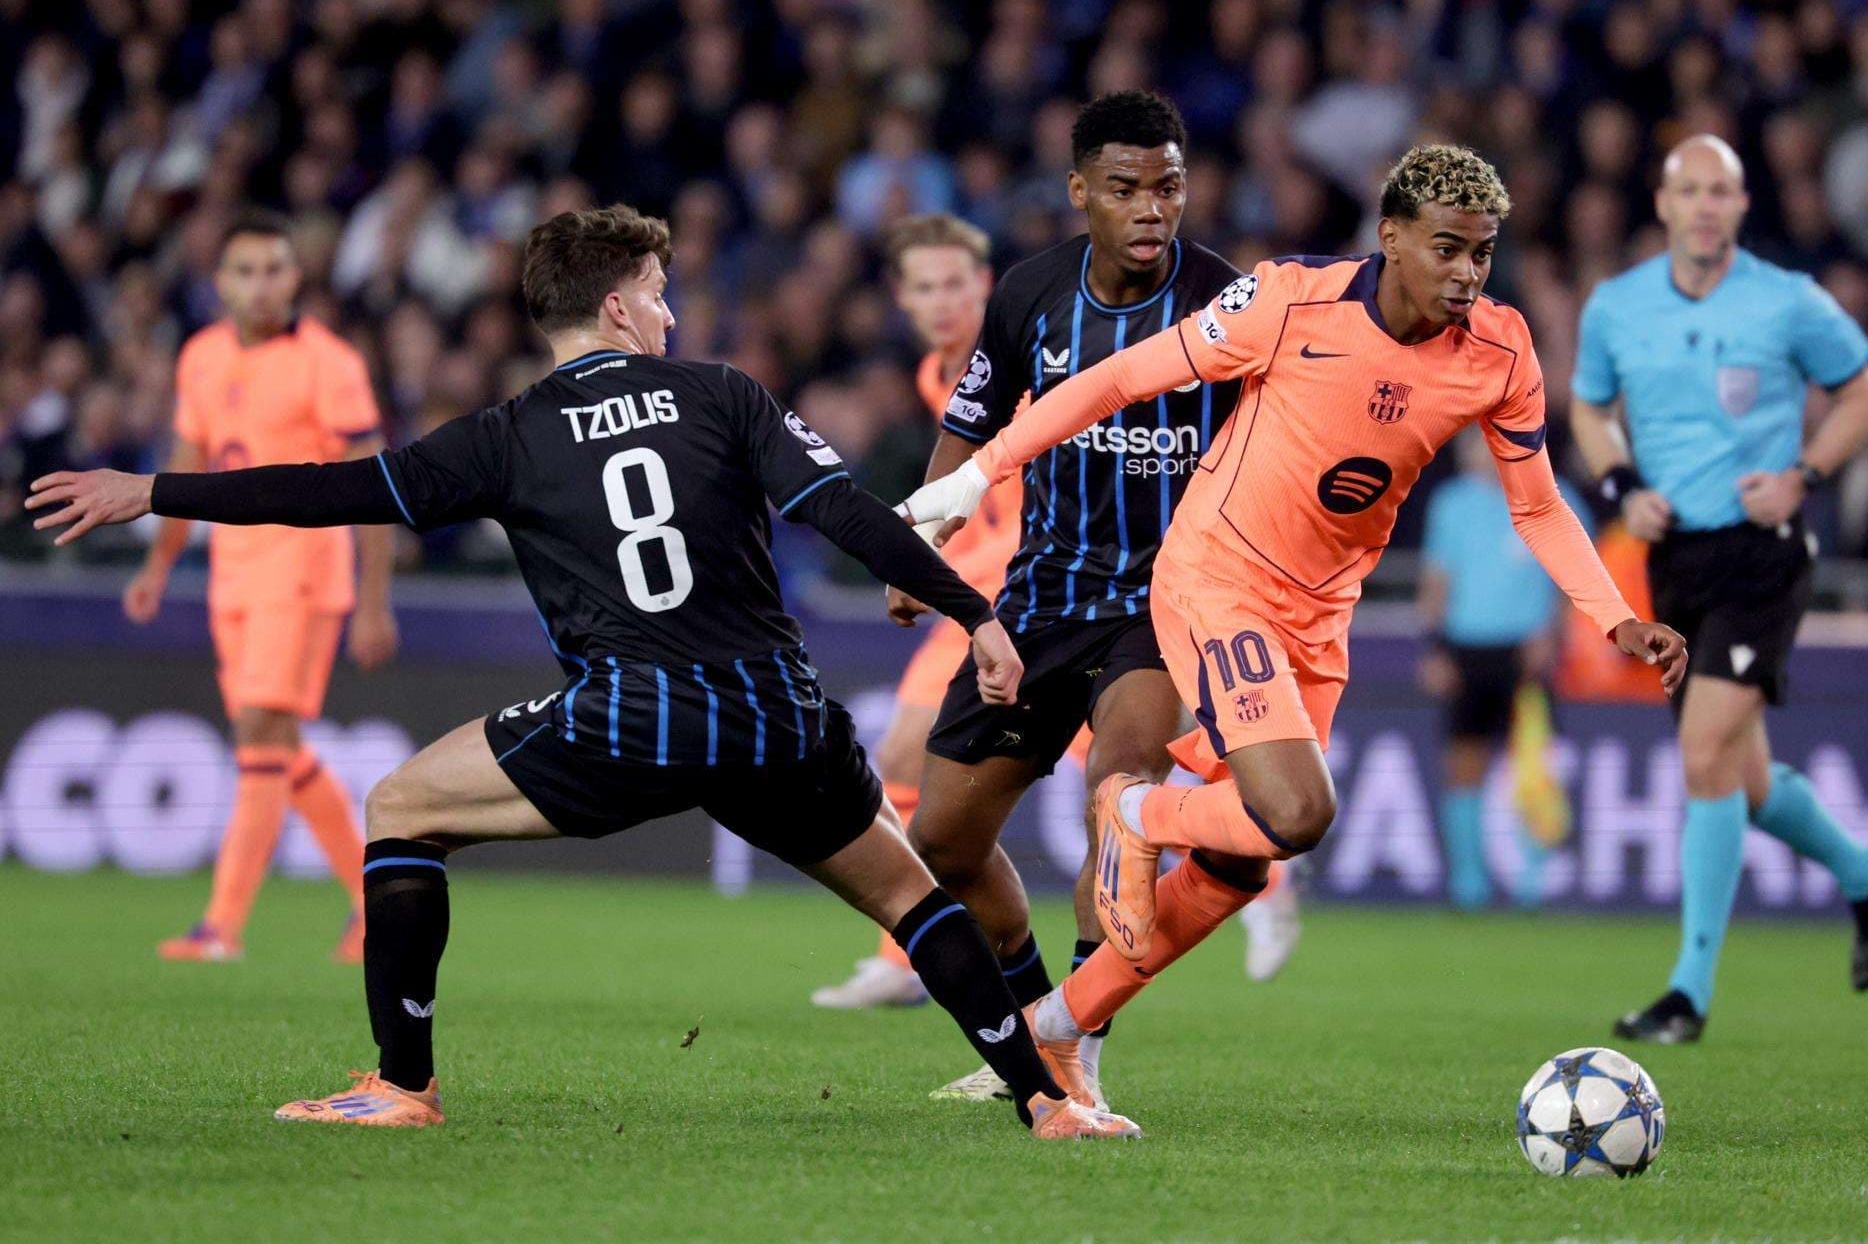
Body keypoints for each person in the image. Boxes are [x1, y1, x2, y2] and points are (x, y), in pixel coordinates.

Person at [29, 205, 1136, 1141]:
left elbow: (332, 489)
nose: (669, 312)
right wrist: (971, 611)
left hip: (629, 719)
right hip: (775, 712)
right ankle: (1047, 1103)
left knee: (400, 806)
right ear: (615, 306)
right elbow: (843, 510)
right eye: (658, 292)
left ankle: (401, 1085)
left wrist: (157, 492)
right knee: (908, 892)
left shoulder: (506, 436)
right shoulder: (722, 393)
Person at [900, 145, 1689, 1090]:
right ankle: (1135, 811)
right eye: (1448, 249)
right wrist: (974, 478)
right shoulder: (1287, 299)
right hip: (1216, 578)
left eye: (1483, 254)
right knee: (1299, 811)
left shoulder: (1499, 349)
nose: (1468, 275)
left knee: (1244, 866)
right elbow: (1115, 381)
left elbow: (1537, 505)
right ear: (1390, 238)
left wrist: (1612, 619)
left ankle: (1064, 1025)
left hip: (1320, 616)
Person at [898, 91, 1244, 1107]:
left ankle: (1079, 1052)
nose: (1152, 208)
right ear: (1079, 191)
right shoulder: (1028, 295)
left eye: (1170, 187)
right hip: (1043, 599)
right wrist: (922, 541)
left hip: (1164, 603)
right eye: (1128, 188)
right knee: (944, 844)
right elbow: (969, 420)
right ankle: (1042, 1021)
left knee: (1124, 786)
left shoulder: (1226, 301)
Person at [1569, 135, 1868, 1043]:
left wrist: (1804, 474)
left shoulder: (1789, 301)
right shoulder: (1618, 307)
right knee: (1741, 777)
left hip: (1764, 551)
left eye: (1722, 190)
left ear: (1742, 202)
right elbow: (1589, 409)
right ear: (1664, 201)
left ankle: (1688, 990)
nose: (1707, 206)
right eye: (1692, 190)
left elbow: (1867, 399)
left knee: (1705, 749)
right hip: (1675, 560)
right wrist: (1617, 489)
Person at [127, 210, 398, 964]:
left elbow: (374, 484)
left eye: (273, 269)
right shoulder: (202, 356)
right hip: (232, 574)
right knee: (276, 744)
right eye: (244, 271)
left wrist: (376, 600)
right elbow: (183, 473)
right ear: (220, 282)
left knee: (257, 736)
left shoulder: (331, 362)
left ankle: (221, 927)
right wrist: (157, 567)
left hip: (304, 570)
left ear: (295, 277)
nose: (259, 285)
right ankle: (373, 903)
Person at [810, 213, 1020, 1011]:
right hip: (978, 600)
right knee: (900, 760)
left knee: (1134, 769)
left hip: (1037, 598)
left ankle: (1260, 859)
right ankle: (904, 962)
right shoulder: (941, 376)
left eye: (954, 284)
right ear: (902, 298)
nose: (941, 301)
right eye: (924, 287)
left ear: (984, 286)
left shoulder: (1023, 367)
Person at [1417, 434, 1584, 910]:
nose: (1478, 456)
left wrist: (1553, 637)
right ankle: (1469, 885)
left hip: (1525, 651)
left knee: (1530, 765)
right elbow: (1437, 581)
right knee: (1463, 765)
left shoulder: (1554, 497)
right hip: (1466, 647)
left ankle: (1533, 879)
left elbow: (1574, 576)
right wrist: (1434, 647)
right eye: (1473, 446)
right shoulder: (1451, 504)